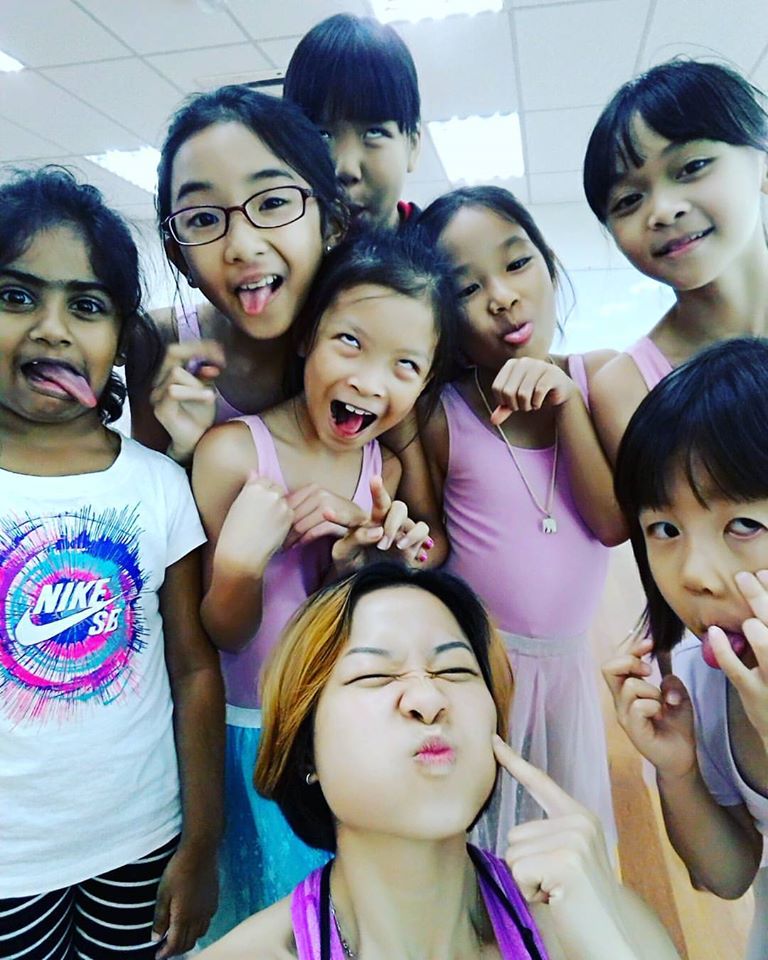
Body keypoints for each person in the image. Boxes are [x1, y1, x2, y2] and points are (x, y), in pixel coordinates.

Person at [197, 562, 680, 960]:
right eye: (375, 675)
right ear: (307, 749)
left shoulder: (600, 926)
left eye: (454, 670)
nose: (428, 700)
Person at [192, 230, 457, 938]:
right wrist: (243, 563)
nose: (371, 381)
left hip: (341, 738)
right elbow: (223, 634)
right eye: (350, 343)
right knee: (257, 920)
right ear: (307, 336)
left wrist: (357, 569)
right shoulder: (231, 455)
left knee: (338, 920)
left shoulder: (382, 471)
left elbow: (345, 631)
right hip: (249, 736)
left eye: (405, 364)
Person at [0, 168, 224, 958]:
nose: (52, 330)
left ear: (123, 335)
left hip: (141, 842)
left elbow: (194, 670)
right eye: (17, 296)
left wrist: (202, 843)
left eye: (86, 306)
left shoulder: (159, 485)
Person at [416, 186, 622, 853]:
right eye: (467, 288)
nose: (502, 296)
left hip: (567, 673)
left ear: (549, 265)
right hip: (478, 670)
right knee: (479, 845)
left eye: (516, 263)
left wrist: (567, 404)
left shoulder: (599, 379)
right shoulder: (441, 413)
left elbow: (612, 523)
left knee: (563, 840)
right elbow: (428, 543)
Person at [605, 338, 768, 960]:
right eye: (665, 529)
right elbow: (726, 877)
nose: (696, 574)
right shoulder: (700, 681)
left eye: (744, 525)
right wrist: (680, 774)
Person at [126, 85, 347, 465]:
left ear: (332, 225)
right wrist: (183, 450)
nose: (242, 246)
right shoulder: (157, 341)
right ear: (180, 258)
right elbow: (148, 489)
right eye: (203, 219)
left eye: (272, 202)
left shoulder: (369, 342)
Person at [583, 60, 768, 467]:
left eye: (692, 167)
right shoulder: (628, 388)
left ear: (762, 163)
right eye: (629, 200)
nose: (663, 211)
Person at [284, 13, 422, 233]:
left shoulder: (450, 251)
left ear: (413, 146)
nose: (346, 168)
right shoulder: (274, 251)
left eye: (374, 132)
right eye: (321, 135)